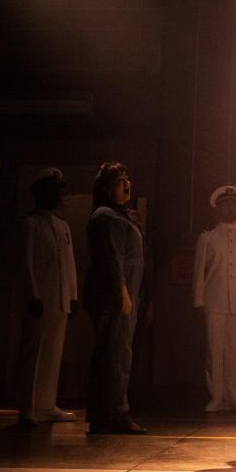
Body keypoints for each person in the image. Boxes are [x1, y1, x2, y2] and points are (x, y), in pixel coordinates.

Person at [83, 162, 146, 435]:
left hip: (125, 295)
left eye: (127, 178)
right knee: (115, 354)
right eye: (120, 180)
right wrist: (122, 293)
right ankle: (114, 412)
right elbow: (111, 259)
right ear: (107, 188)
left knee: (116, 353)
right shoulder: (106, 217)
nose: (127, 184)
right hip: (115, 297)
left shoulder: (120, 216)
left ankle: (105, 413)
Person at [14, 167, 79, 427]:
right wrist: (32, 295)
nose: (57, 196)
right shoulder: (29, 223)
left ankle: (46, 403)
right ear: (39, 193)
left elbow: (69, 264)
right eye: (52, 191)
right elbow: (25, 263)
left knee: (53, 351)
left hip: (60, 298)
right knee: (33, 352)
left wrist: (73, 295)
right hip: (40, 299)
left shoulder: (62, 225)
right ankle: (27, 407)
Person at [192, 185, 236, 412]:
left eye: (234, 205)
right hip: (215, 299)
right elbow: (199, 271)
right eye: (227, 204)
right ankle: (216, 396)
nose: (232, 208)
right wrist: (199, 300)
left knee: (235, 349)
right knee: (214, 349)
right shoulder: (208, 238)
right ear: (219, 208)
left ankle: (233, 396)